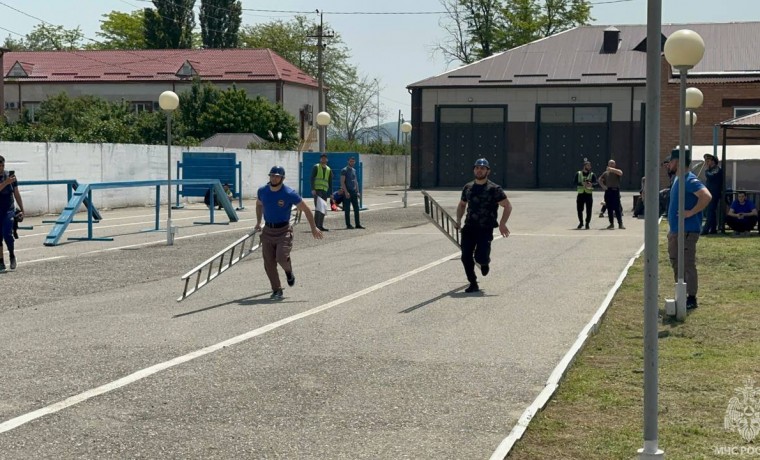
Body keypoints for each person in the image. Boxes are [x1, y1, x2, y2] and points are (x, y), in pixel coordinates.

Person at [254, 166, 323, 300]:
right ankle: (277, 290)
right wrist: (258, 222)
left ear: (282, 178)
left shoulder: (289, 193)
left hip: (283, 230)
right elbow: (258, 205)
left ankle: (288, 271)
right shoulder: (262, 191)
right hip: (268, 230)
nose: (274, 178)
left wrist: (314, 228)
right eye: (272, 175)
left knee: (281, 257)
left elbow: (307, 210)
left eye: (277, 176)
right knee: (269, 262)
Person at [455, 158, 512, 293]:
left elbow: (507, 206)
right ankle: (473, 283)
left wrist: (503, 223)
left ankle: (484, 262)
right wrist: (458, 219)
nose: (479, 170)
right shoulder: (468, 187)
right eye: (477, 168)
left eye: (482, 168)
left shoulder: (494, 189)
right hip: (469, 227)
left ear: (488, 171)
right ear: (474, 170)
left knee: (480, 257)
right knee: (465, 256)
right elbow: (462, 204)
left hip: (485, 229)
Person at [665, 149, 712, 310]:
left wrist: (690, 212)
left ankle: (691, 297)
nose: (668, 165)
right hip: (676, 231)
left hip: (687, 230)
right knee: (675, 262)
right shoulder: (678, 179)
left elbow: (706, 196)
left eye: (670, 161)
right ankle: (681, 293)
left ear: (677, 162)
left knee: (687, 264)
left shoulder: (689, 180)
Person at [0, 155, 24, 271]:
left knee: (7, 234)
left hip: (8, 209)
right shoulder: (7, 179)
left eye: (2, 165)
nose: (1, 168)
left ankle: (12, 255)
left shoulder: (10, 176)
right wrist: (6, 182)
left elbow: (16, 193)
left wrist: (22, 209)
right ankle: (1, 261)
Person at [598, 159, 625, 229]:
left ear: (615, 165)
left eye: (613, 163)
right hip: (608, 191)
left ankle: (620, 223)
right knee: (609, 208)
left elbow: (620, 173)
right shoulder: (605, 173)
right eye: (610, 164)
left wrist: (612, 169)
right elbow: (600, 179)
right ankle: (611, 223)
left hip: (615, 191)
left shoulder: (616, 171)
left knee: (617, 208)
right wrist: (603, 186)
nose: (611, 165)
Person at [310, 153, 333, 231]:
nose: (323, 159)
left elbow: (330, 182)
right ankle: (315, 226)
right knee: (318, 208)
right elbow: (312, 178)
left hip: (324, 191)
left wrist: (331, 193)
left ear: (327, 159)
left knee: (323, 208)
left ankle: (320, 225)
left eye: (325, 158)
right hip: (317, 190)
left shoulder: (329, 169)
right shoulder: (316, 167)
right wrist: (313, 189)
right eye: (322, 158)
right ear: (320, 159)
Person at [701, 153, 723, 235]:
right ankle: (713, 229)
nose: (706, 162)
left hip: (714, 194)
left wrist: (706, 170)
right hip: (710, 193)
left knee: (710, 211)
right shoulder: (711, 169)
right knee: (711, 211)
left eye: (708, 160)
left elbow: (711, 177)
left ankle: (705, 230)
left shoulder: (716, 169)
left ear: (713, 161)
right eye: (706, 160)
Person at [340, 156, 364, 229]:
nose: (352, 163)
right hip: (347, 192)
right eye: (351, 161)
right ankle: (348, 224)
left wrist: (358, 191)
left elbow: (355, 181)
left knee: (356, 209)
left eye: (353, 161)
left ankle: (358, 224)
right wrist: (346, 192)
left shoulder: (354, 170)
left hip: (354, 192)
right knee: (347, 209)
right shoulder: (344, 170)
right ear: (348, 161)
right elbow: (342, 182)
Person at [573, 160, 596, 229]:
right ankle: (581, 222)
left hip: (588, 194)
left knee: (589, 210)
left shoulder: (592, 174)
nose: (590, 167)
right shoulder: (578, 173)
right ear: (584, 166)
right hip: (580, 194)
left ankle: (587, 223)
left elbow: (596, 183)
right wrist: (581, 183)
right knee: (579, 209)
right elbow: (574, 182)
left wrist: (591, 184)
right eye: (588, 165)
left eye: (590, 165)